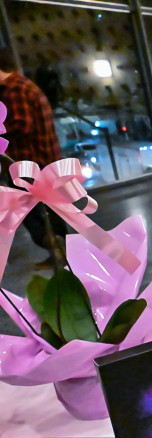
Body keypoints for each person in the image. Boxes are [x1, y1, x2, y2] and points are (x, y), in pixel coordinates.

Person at [0, 46, 68, 270]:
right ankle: (60, 252)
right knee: (45, 211)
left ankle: (57, 249)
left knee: (26, 212)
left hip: (31, 163)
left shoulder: (13, 90)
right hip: (39, 161)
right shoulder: (20, 85)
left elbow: (21, 125)